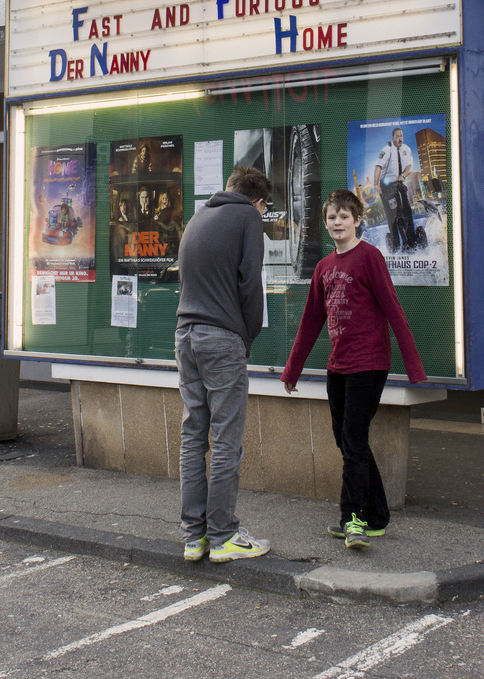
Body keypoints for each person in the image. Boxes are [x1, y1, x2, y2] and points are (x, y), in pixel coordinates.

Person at [281, 189, 427, 549]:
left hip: (369, 364)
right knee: (348, 442)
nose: (337, 223)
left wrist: (414, 367)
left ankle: (353, 519)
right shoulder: (324, 267)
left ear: (358, 220)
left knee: (354, 441)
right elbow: (311, 322)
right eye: (332, 217)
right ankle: (377, 515)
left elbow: (393, 309)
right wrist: (291, 372)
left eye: (344, 217)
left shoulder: (370, 257)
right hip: (338, 366)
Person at [175, 164, 272, 563]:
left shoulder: (199, 217)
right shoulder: (248, 216)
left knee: (194, 435)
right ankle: (223, 536)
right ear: (259, 201)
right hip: (221, 338)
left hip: (186, 334)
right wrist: (247, 337)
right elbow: (251, 282)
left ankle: (193, 537)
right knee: (227, 439)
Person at [373, 126, 416, 250]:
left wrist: (402, 175)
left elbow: (409, 167)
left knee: (407, 212)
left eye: (401, 136)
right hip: (386, 187)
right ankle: (396, 245)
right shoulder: (387, 150)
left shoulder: (406, 149)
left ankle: (412, 242)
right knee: (393, 217)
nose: (400, 138)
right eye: (397, 136)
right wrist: (376, 184)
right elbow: (377, 167)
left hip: (399, 184)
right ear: (393, 138)